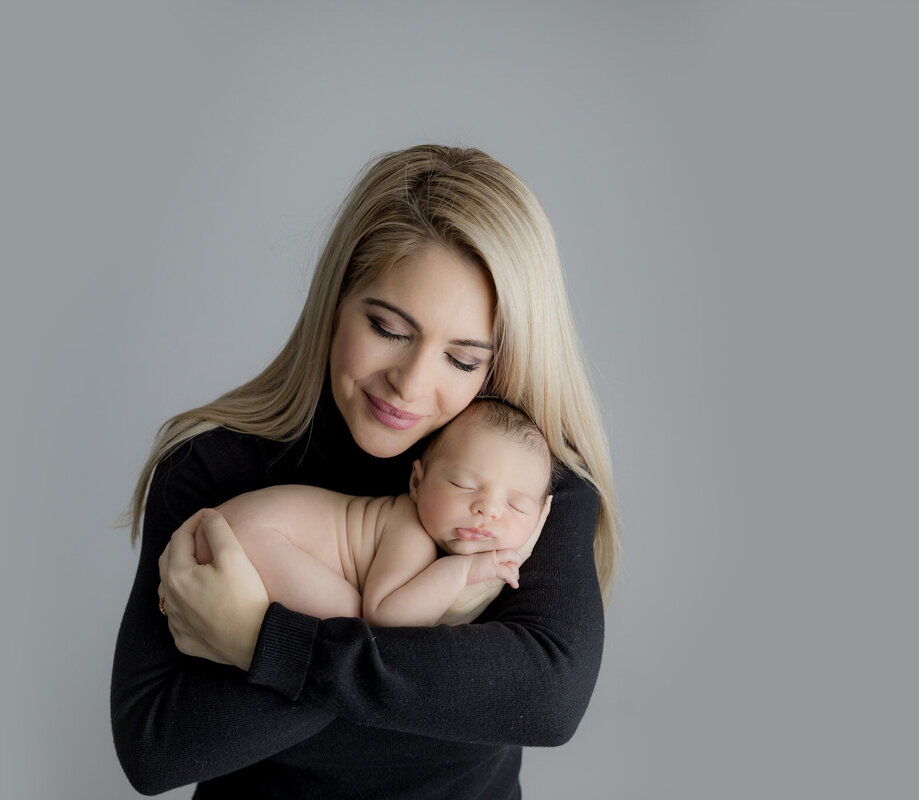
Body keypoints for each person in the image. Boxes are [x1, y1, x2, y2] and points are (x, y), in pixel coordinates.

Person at [112, 144, 621, 798]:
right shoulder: (214, 467)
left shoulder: (519, 491)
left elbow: (548, 699)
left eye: (462, 360)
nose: (409, 384)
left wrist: (263, 645)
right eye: (387, 326)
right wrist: (429, 646)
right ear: (336, 300)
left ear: (498, 362)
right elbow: (153, 748)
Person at [196, 398, 555, 628]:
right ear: (416, 483)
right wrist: (464, 571)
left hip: (241, 527)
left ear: (539, 517)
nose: (487, 509)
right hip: (249, 536)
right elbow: (387, 618)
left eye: (515, 505)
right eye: (463, 484)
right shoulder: (408, 530)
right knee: (352, 626)